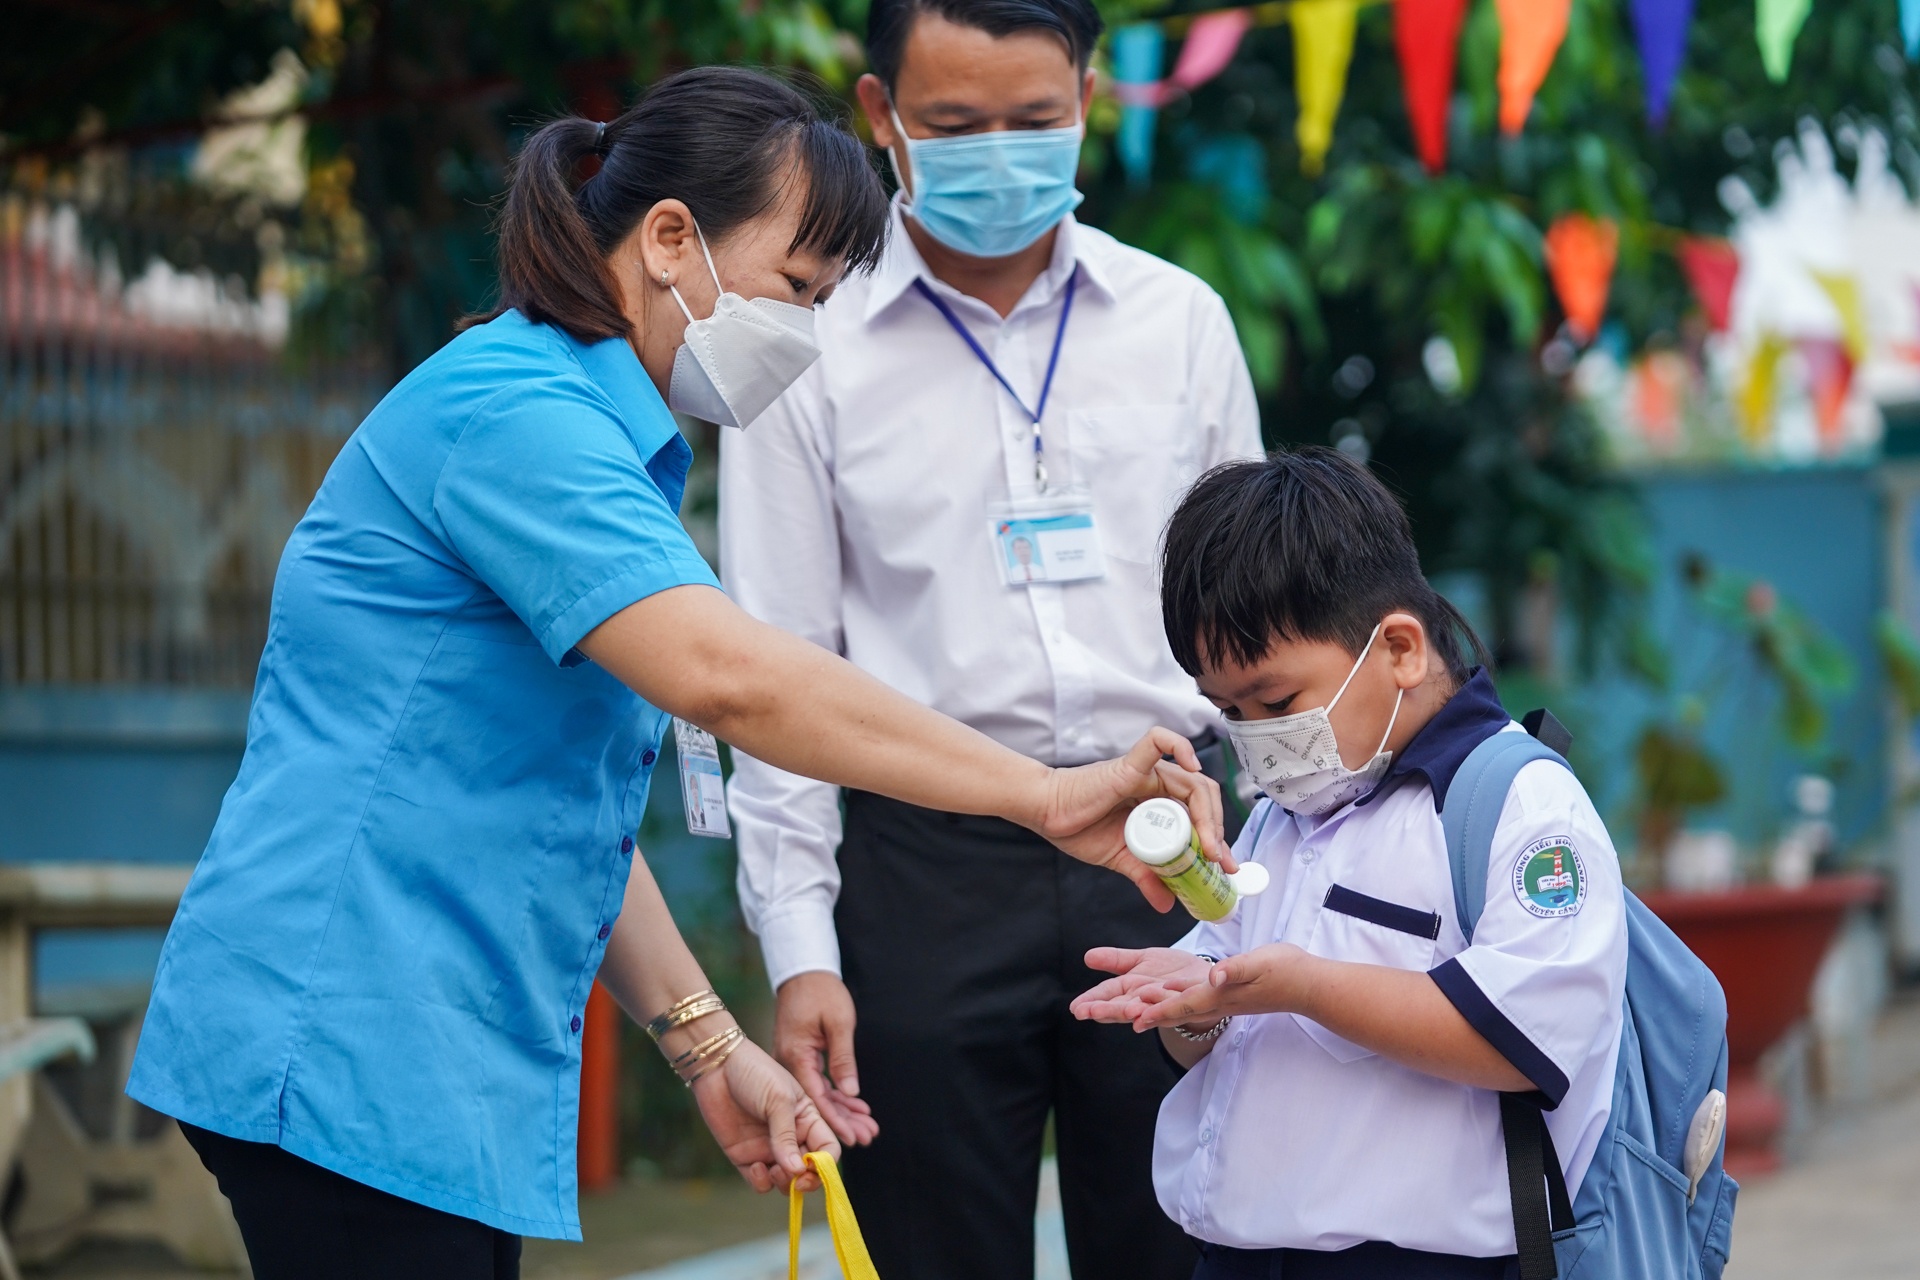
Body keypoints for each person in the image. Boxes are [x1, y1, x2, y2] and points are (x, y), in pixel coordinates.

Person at [124, 66, 1228, 1280]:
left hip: (411, 1042)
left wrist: (706, 1044)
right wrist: (1048, 792)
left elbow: (562, 800)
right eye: (796, 290)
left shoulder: (589, 428)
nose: (802, 335)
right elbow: (733, 680)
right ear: (668, 239)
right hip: (349, 1022)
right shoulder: (520, 413)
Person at [718, 2, 1261, 1277]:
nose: (1002, 153)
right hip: (924, 870)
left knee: (1193, 1235)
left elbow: (1263, 625)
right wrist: (800, 950)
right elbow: (772, 669)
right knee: (932, 1247)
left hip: (1167, 840)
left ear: (1091, 93)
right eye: (956, 127)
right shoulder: (807, 344)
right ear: (879, 114)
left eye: (1035, 119)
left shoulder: (1178, 322)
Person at [1072, 448, 1630, 1280]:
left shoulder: (1515, 806)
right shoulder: (1283, 816)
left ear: (1400, 648)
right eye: (1227, 711)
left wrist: (1304, 985)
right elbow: (1224, 1019)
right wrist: (1192, 1011)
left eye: (1276, 702)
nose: (1254, 735)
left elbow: (1526, 1041)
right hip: (1237, 1256)